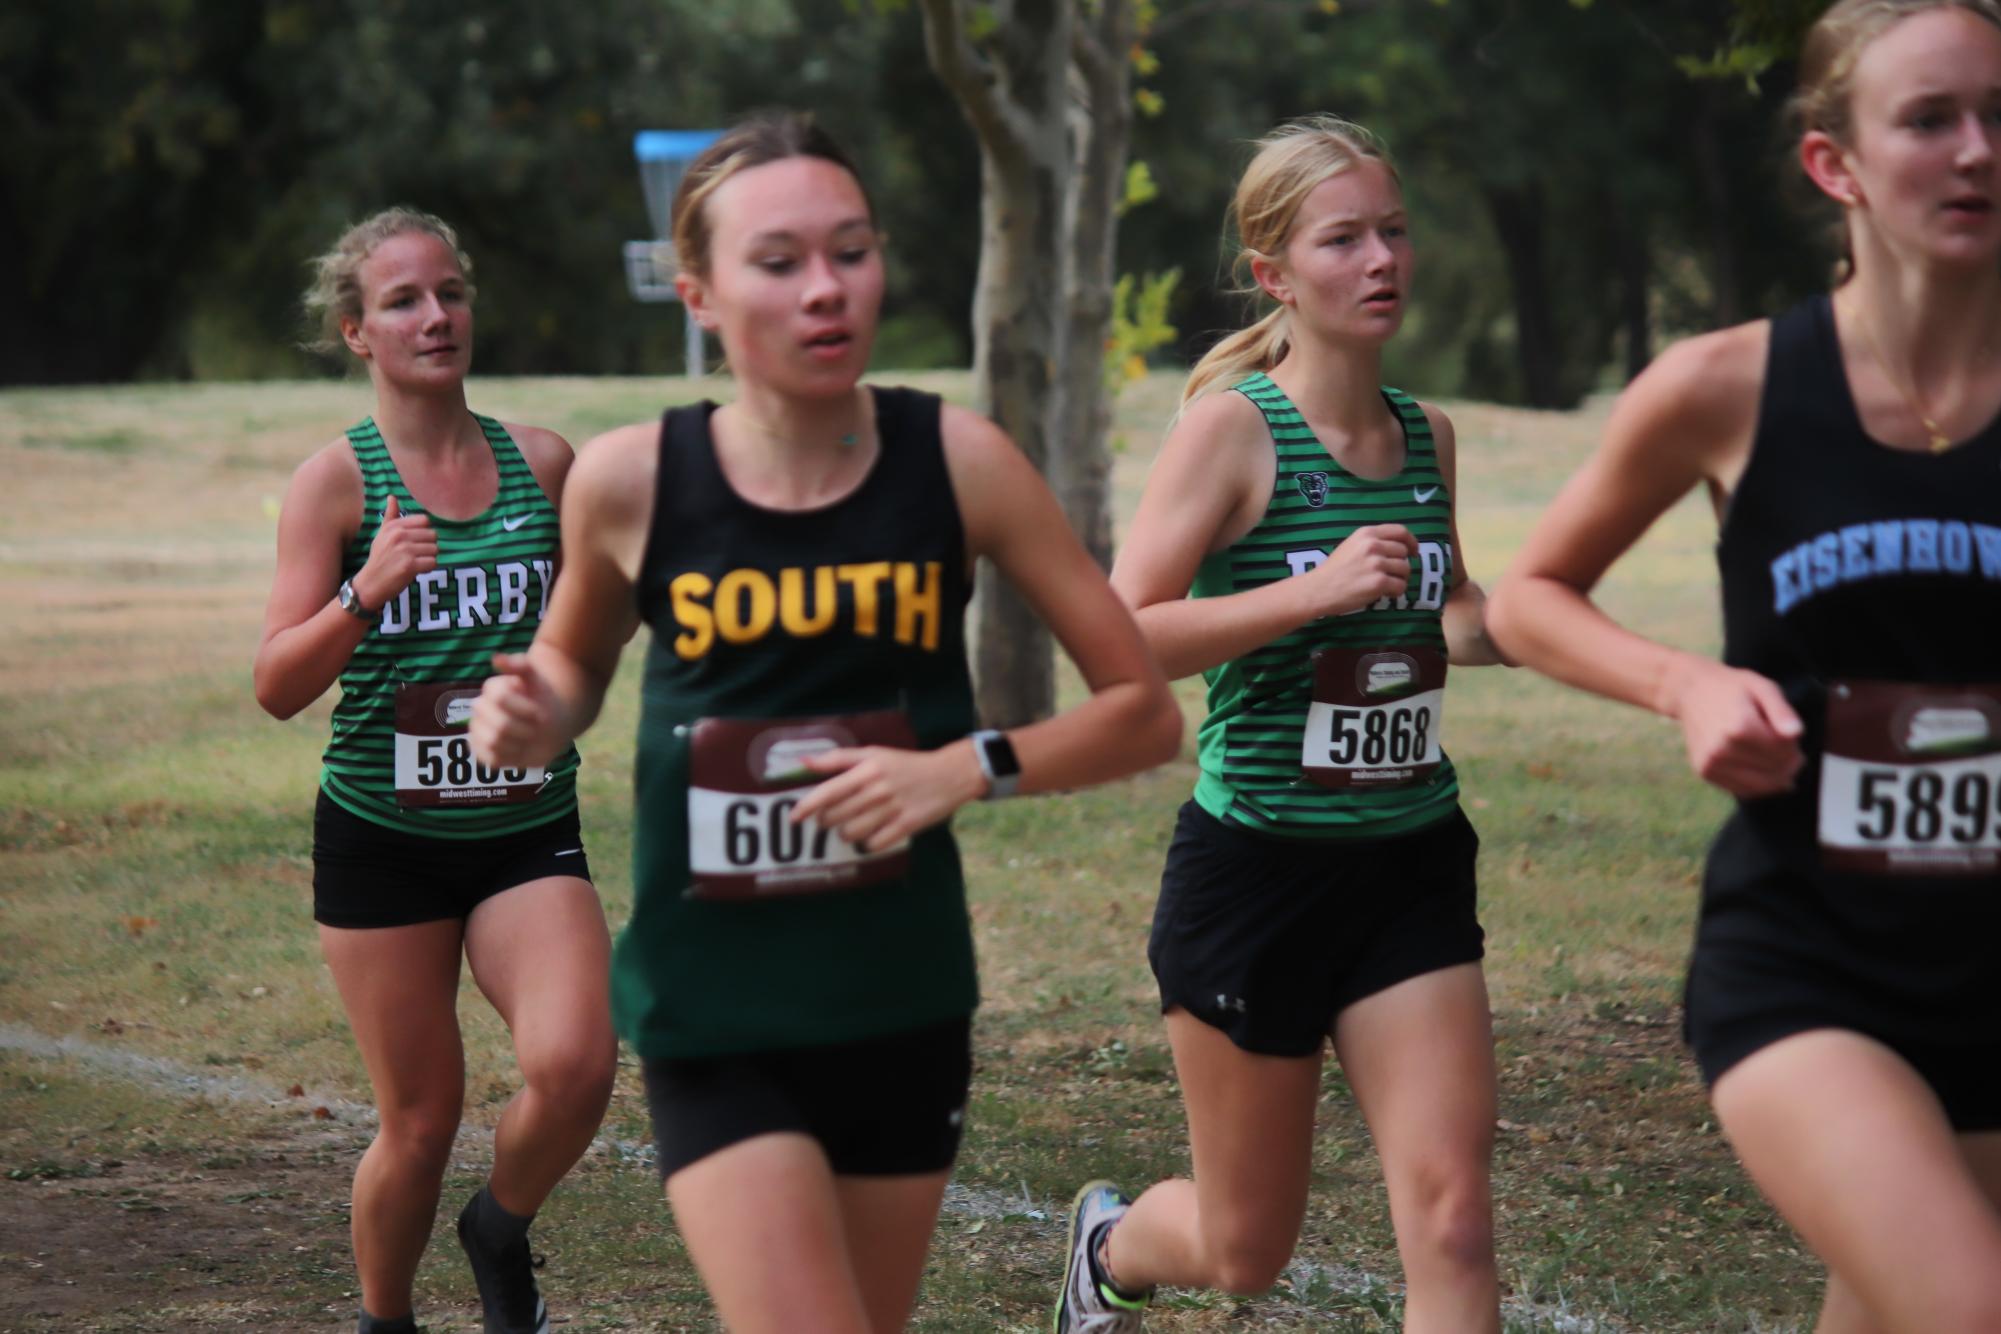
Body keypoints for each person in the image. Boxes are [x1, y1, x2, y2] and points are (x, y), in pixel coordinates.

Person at [467, 112, 1181, 1334]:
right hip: (715, 1004)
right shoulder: (634, 480)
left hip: (899, 999)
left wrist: (964, 766)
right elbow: (575, 665)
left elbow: (1143, 713)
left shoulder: (960, 461)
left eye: (850, 251)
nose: (825, 289)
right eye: (779, 260)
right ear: (697, 290)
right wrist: (532, 711)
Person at [1486, 3, 2001, 1328]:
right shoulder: (1728, 387)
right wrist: (1687, 685)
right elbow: (1530, 597)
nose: (1977, 151)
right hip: (1809, 967)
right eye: (1931, 120)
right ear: (1835, 164)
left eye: (1999, 116)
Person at [1054, 116, 1512, 1334]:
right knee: (1245, 1246)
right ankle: (1110, 1246)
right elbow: (1115, 633)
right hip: (1260, 874)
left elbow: (1450, 610)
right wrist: (1312, 590)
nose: (1381, 261)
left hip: (1410, 860)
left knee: (1455, 1218)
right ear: (1274, 272)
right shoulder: (1234, 430)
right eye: (1344, 238)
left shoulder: (1428, 435)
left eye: (1395, 232)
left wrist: (1520, 622)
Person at [252, 208, 615, 1334]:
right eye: (404, 300)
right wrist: (368, 589)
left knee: (576, 1065)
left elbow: (595, 631)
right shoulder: (336, 485)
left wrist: (560, 681)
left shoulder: (542, 461)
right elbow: (275, 681)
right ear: (358, 332)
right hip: (383, 838)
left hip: (520, 828)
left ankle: (499, 1225)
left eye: (450, 292)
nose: (435, 315)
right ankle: (386, 1317)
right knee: (418, 1120)